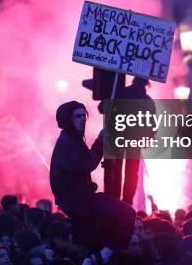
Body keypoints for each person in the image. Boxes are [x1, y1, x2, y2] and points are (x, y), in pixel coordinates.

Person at [49, 101, 135, 255]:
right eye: (77, 116)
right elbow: (86, 163)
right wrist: (101, 141)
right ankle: (107, 254)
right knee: (127, 212)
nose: (82, 119)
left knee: (92, 240)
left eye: (84, 116)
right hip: (78, 201)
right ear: (68, 119)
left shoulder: (74, 139)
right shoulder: (66, 143)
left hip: (80, 199)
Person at [104, 77, 155, 205]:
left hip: (120, 138)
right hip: (132, 140)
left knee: (119, 170)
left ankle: (116, 200)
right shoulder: (147, 100)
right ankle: (126, 202)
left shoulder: (122, 93)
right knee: (131, 173)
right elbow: (152, 124)